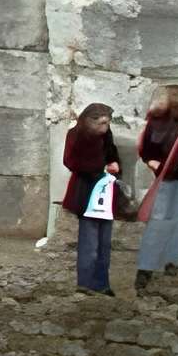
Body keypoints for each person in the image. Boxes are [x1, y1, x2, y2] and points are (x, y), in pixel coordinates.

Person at [130, 84, 178, 290]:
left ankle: (171, 263)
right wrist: (151, 162)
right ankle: (145, 269)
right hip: (164, 178)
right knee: (157, 222)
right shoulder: (154, 124)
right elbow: (145, 151)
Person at [60, 102, 124, 296]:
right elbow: (70, 161)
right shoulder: (76, 135)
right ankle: (85, 283)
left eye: (107, 123)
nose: (105, 127)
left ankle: (101, 283)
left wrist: (114, 164)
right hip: (86, 190)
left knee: (104, 243)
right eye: (101, 123)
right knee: (89, 242)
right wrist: (100, 168)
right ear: (90, 121)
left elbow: (111, 153)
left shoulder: (105, 135)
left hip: (105, 192)